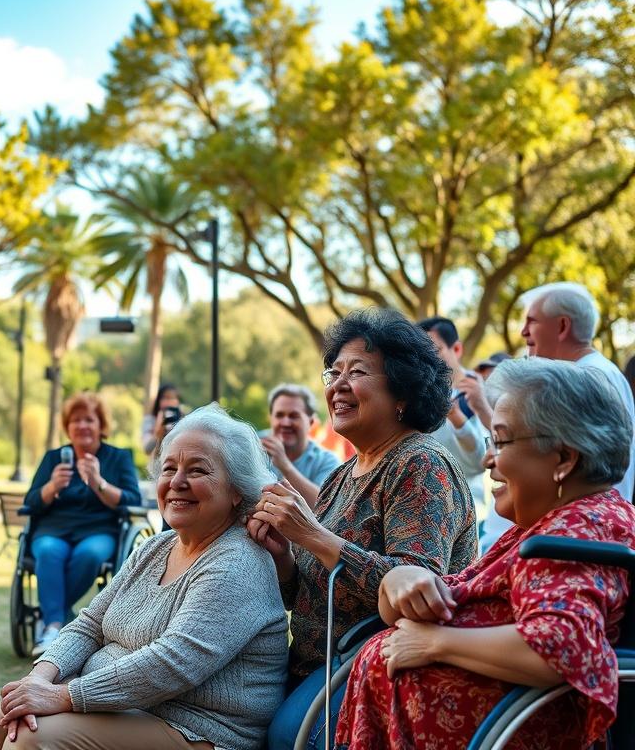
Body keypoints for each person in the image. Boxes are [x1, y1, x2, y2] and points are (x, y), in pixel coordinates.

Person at [335, 358, 635, 750]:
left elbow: (559, 645)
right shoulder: (545, 526)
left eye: (502, 441)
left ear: (564, 459)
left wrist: (435, 643)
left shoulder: (581, 529)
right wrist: (399, 578)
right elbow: (432, 598)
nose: (488, 459)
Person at [0, 404, 288, 750]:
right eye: (169, 469)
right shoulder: (156, 547)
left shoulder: (238, 561)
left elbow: (173, 663)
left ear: (236, 490)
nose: (177, 482)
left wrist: (63, 696)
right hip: (133, 709)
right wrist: (37, 680)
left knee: (31, 740)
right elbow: (89, 624)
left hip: (199, 728)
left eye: (197, 470)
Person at [247, 308, 478, 750]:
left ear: (402, 393)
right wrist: (283, 556)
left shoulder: (421, 465)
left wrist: (313, 535)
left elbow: (414, 588)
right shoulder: (343, 473)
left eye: (357, 372)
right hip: (317, 666)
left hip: (376, 667)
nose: (338, 385)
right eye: (333, 372)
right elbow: (314, 593)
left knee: (284, 737)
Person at [23, 392, 142, 656]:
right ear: (68, 427)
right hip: (53, 529)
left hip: (98, 529)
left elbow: (133, 499)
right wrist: (52, 486)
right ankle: (56, 622)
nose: (82, 426)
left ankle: (53, 621)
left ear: (101, 426)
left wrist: (99, 482)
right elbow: (31, 501)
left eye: (89, 419)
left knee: (90, 554)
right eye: (76, 420)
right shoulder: (55, 458)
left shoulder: (118, 457)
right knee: (48, 551)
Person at [520, 281, 635, 501]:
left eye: (531, 321)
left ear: (562, 326)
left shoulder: (589, 377)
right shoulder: (596, 372)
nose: (523, 332)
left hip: (588, 524)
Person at [417, 317, 488, 512]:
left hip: (469, 507)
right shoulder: (417, 397)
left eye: (436, 350)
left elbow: (480, 462)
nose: (428, 360)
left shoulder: (480, 393)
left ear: (456, 349)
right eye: (422, 354)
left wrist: (457, 417)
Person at [260, 383, 341, 506]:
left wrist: (285, 465)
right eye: (279, 415)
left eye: (294, 416)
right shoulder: (252, 445)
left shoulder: (328, 461)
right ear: (270, 418)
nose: (286, 423)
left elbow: (325, 506)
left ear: (311, 422)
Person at [141, 383, 182, 454]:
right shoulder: (150, 420)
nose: (169, 402)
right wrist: (157, 434)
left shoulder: (184, 420)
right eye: (165, 398)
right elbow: (147, 450)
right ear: (158, 400)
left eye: (172, 398)